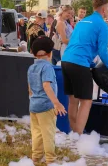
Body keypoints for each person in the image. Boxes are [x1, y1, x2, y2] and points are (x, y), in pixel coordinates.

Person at [61, 0, 108, 134]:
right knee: (86, 101)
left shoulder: (82, 22)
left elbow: (76, 42)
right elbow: (103, 52)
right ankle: (78, 137)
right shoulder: (102, 25)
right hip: (79, 63)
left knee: (73, 100)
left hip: (66, 60)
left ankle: (72, 134)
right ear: (103, 9)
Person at [27, 36, 67, 164]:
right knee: (48, 134)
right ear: (50, 54)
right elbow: (46, 85)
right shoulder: (47, 67)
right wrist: (57, 103)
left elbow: (30, 88)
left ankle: (36, 158)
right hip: (46, 107)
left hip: (33, 106)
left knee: (37, 133)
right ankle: (51, 160)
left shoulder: (31, 68)